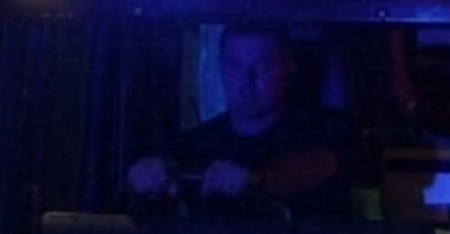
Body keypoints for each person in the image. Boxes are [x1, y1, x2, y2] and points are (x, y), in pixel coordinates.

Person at [127, 22, 350, 216]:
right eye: (235, 65)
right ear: (220, 66)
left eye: (263, 65)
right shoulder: (195, 144)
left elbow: (318, 168)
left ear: (289, 68)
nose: (247, 79)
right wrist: (146, 180)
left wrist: (255, 180)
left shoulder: (319, 134)